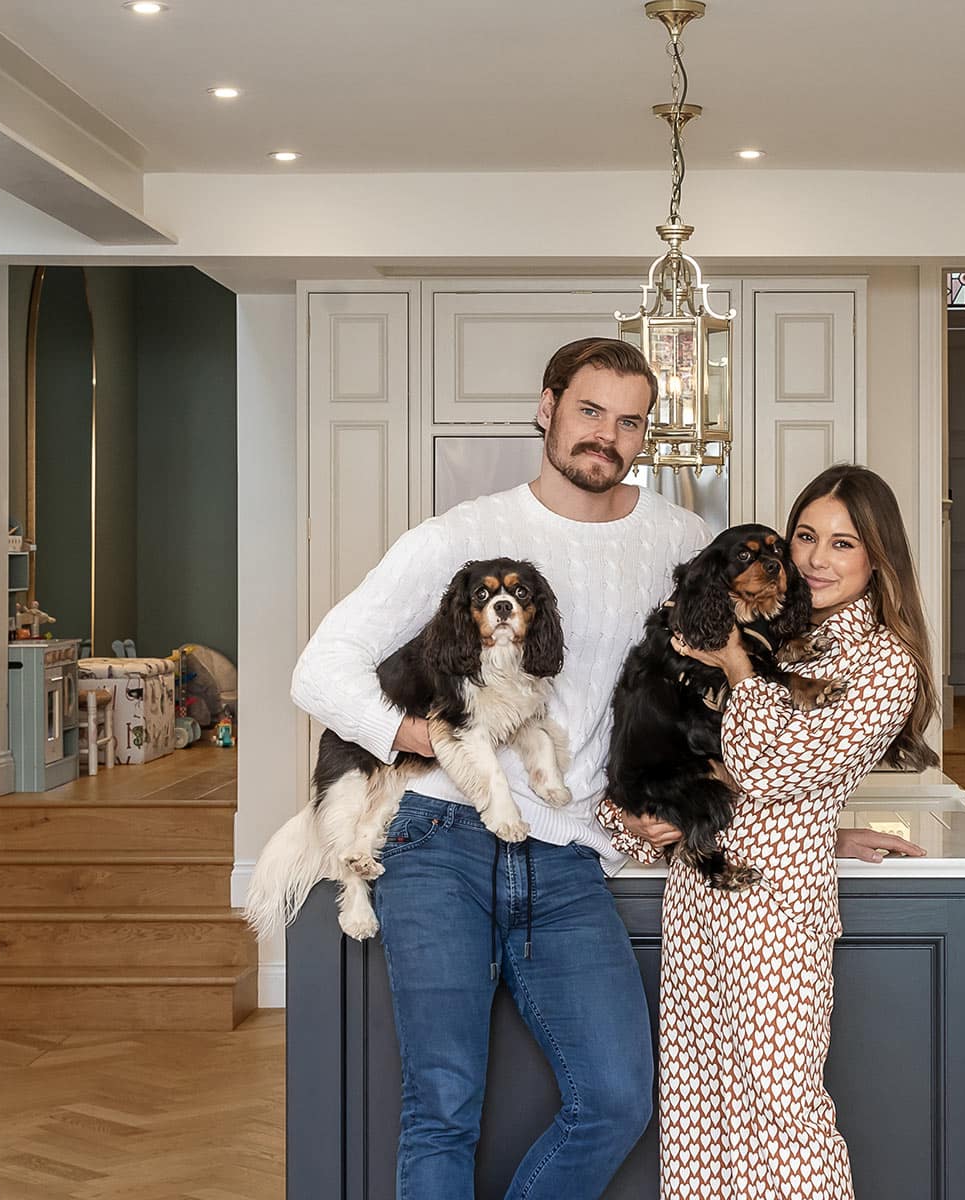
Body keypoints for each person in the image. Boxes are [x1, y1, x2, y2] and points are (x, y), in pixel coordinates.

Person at [291, 336, 697, 1197]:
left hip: (571, 854)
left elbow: (713, 688)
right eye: (589, 411)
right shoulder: (464, 536)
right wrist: (426, 740)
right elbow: (320, 670)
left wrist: (735, 801)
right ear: (547, 407)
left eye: (630, 422)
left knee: (619, 1097)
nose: (607, 437)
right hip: (438, 843)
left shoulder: (679, 539)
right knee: (442, 1107)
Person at [603, 463, 940, 1200]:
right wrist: (632, 821)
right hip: (697, 905)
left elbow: (773, 768)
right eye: (807, 537)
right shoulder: (780, 639)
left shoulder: (884, 664)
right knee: (699, 1113)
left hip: (776, 914)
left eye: (844, 544)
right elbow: (665, 752)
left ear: (878, 560)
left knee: (784, 1114)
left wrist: (733, 665)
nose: (817, 559)